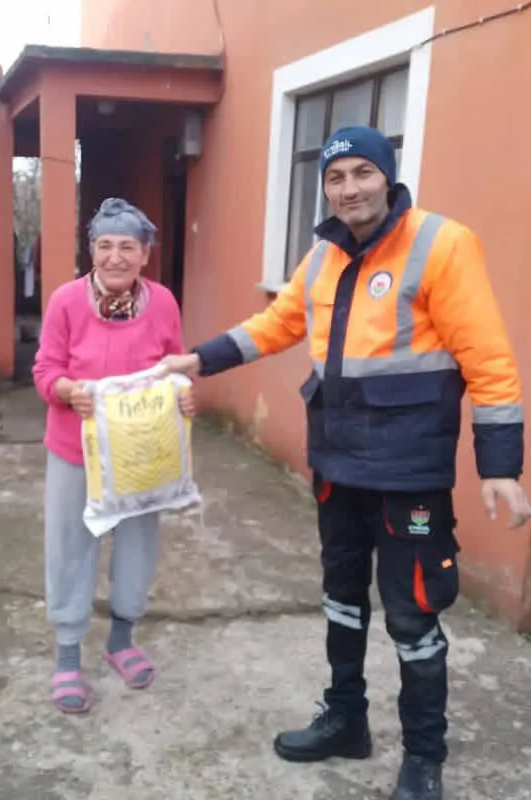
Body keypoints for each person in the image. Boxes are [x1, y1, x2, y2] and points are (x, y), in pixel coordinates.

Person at [158, 126, 530, 800]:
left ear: (387, 176)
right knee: (341, 600)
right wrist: (200, 358)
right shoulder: (323, 257)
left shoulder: (441, 243)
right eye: (336, 177)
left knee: (413, 617)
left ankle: (424, 758)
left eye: (363, 172)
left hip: (410, 475)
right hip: (338, 466)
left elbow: (488, 357)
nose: (350, 188)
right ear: (325, 187)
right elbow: (278, 323)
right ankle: (346, 719)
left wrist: (500, 465)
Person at [33, 197, 195, 714]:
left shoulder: (163, 303)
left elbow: (175, 366)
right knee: (70, 546)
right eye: (105, 246)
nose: (115, 257)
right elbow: (45, 369)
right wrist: (66, 391)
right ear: (92, 250)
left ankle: (121, 640)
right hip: (74, 449)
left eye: (127, 247)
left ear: (145, 254)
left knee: (138, 546)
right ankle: (67, 653)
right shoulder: (65, 301)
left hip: (141, 453)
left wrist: (185, 395)